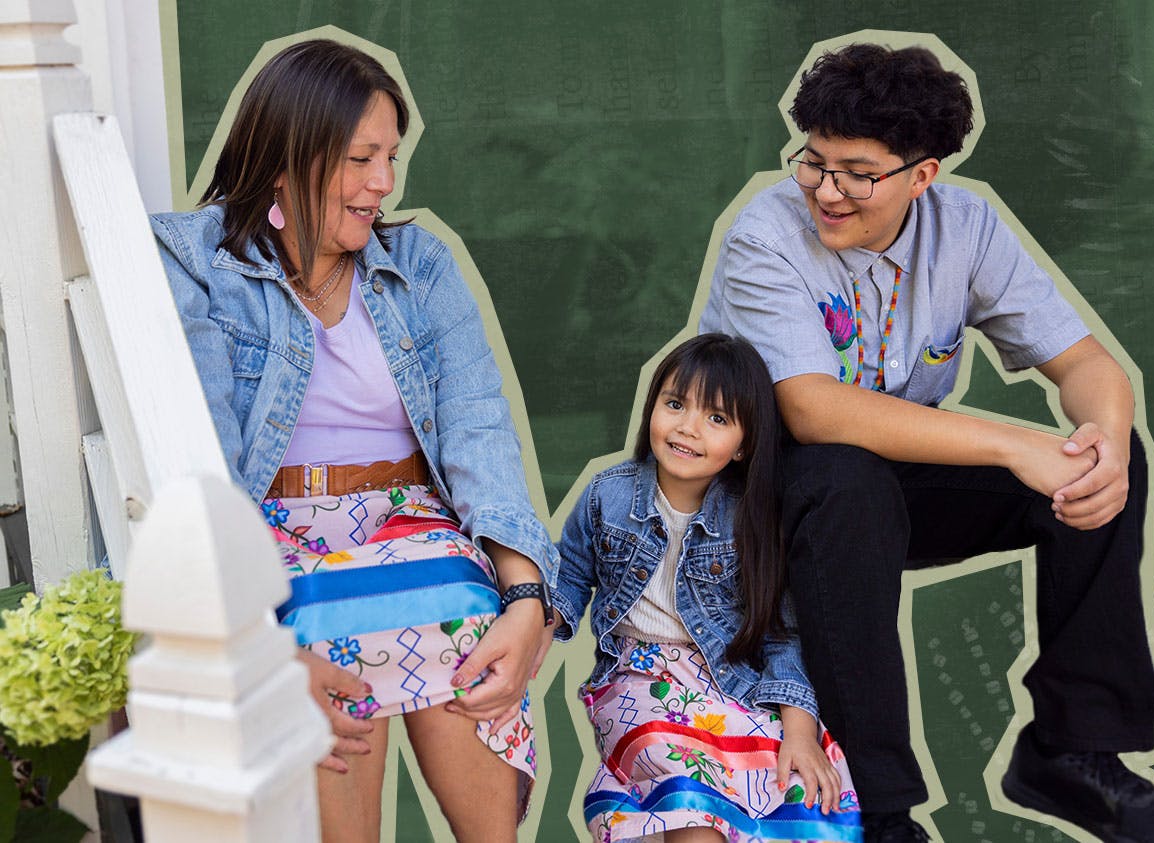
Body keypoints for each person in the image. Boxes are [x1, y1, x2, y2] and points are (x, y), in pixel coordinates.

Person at [700, 41, 1154, 843]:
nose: (826, 190)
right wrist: (1010, 444)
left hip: (882, 486)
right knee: (846, 480)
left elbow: (1088, 366)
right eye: (814, 161)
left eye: (857, 173)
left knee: (1104, 460)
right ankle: (877, 808)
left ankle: (1071, 753)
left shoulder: (966, 226)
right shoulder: (765, 232)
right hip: (759, 497)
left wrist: (1104, 441)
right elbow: (812, 412)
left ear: (922, 174)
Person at [152, 39, 558, 843]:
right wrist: (256, 640)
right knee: (316, 624)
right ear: (285, 156)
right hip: (271, 530)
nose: (384, 183)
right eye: (360, 158)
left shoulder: (418, 263)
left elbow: (480, 424)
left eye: (390, 157)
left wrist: (524, 596)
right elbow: (208, 462)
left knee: (468, 612)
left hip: (409, 518)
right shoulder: (197, 261)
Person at [549, 333, 862, 842]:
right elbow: (568, 580)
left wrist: (800, 731)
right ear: (652, 406)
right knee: (688, 790)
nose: (688, 428)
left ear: (744, 445)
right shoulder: (608, 494)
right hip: (638, 679)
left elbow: (781, 634)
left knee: (797, 786)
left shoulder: (752, 520)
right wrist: (533, 628)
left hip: (731, 683)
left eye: (717, 418)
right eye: (675, 404)